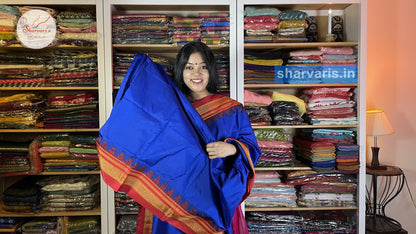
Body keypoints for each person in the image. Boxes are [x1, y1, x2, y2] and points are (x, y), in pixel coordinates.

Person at [96, 42, 261, 234]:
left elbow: (252, 147)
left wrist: (232, 148)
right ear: (181, 71)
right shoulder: (169, 107)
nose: (196, 74)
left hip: (214, 195)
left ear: (212, 70)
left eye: (203, 67)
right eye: (189, 67)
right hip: (173, 195)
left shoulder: (232, 108)